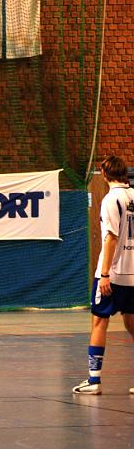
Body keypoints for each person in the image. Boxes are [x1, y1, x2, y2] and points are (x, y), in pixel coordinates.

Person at [73, 156, 134, 395]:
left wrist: (105, 274)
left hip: (114, 272)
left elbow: (111, 238)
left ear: (105, 174)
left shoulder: (112, 199)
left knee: (99, 321)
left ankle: (94, 380)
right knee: (131, 323)